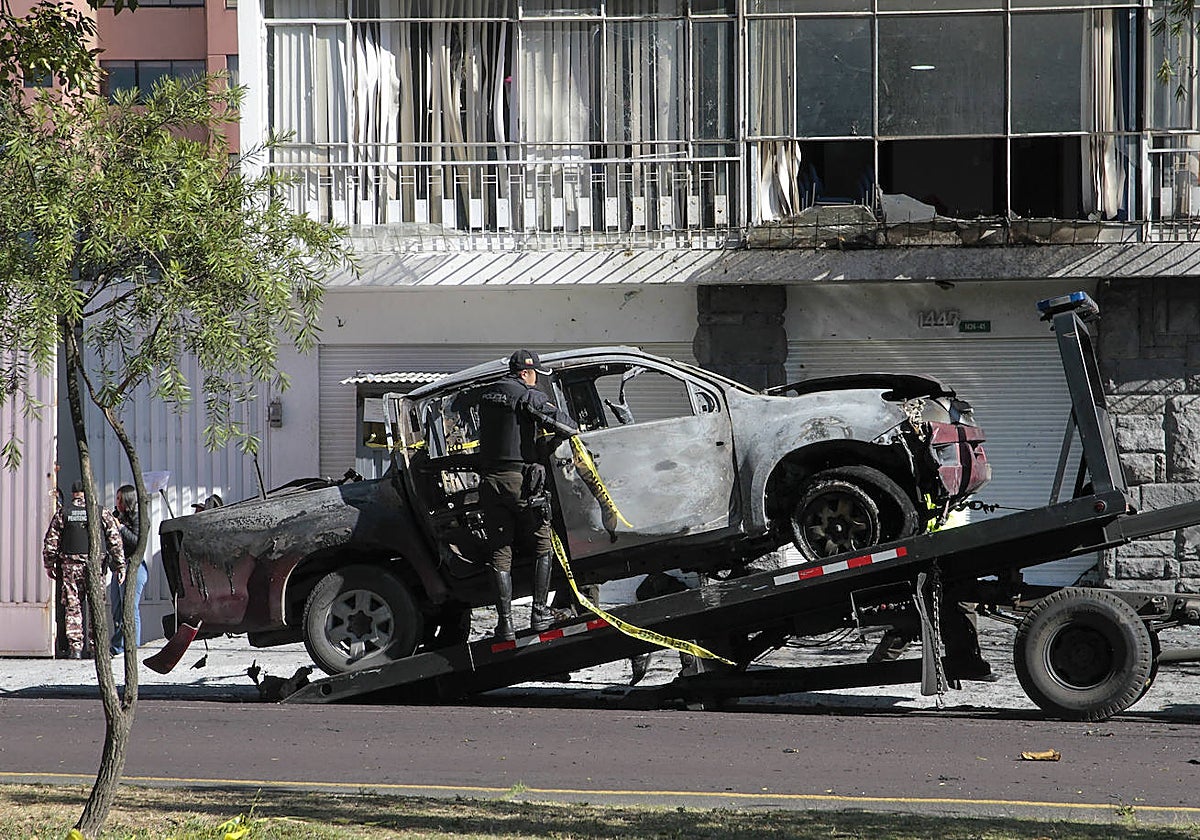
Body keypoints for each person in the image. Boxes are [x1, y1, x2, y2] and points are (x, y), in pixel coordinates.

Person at [477, 349, 576, 641]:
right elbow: (566, 426)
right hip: (518, 482)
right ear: (525, 373)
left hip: (489, 484)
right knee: (543, 545)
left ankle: (505, 624)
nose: (535, 381)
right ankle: (539, 614)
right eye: (534, 376)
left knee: (500, 551)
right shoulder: (526, 395)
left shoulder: (488, 395)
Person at [42, 480, 125, 659]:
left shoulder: (63, 513)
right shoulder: (101, 512)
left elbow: (51, 542)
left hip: (71, 568)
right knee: (96, 607)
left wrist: (49, 565)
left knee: (73, 607)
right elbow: (114, 540)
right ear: (88, 493)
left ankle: (76, 649)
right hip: (95, 568)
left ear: (73, 494)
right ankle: (96, 648)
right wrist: (120, 565)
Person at [109, 484, 149, 657]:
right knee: (117, 607)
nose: (117, 502)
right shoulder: (120, 516)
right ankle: (119, 645)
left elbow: (136, 541)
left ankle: (132, 646)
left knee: (130, 609)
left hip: (134, 566)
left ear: (128, 499)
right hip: (119, 566)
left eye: (120, 498)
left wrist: (121, 528)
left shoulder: (139, 518)